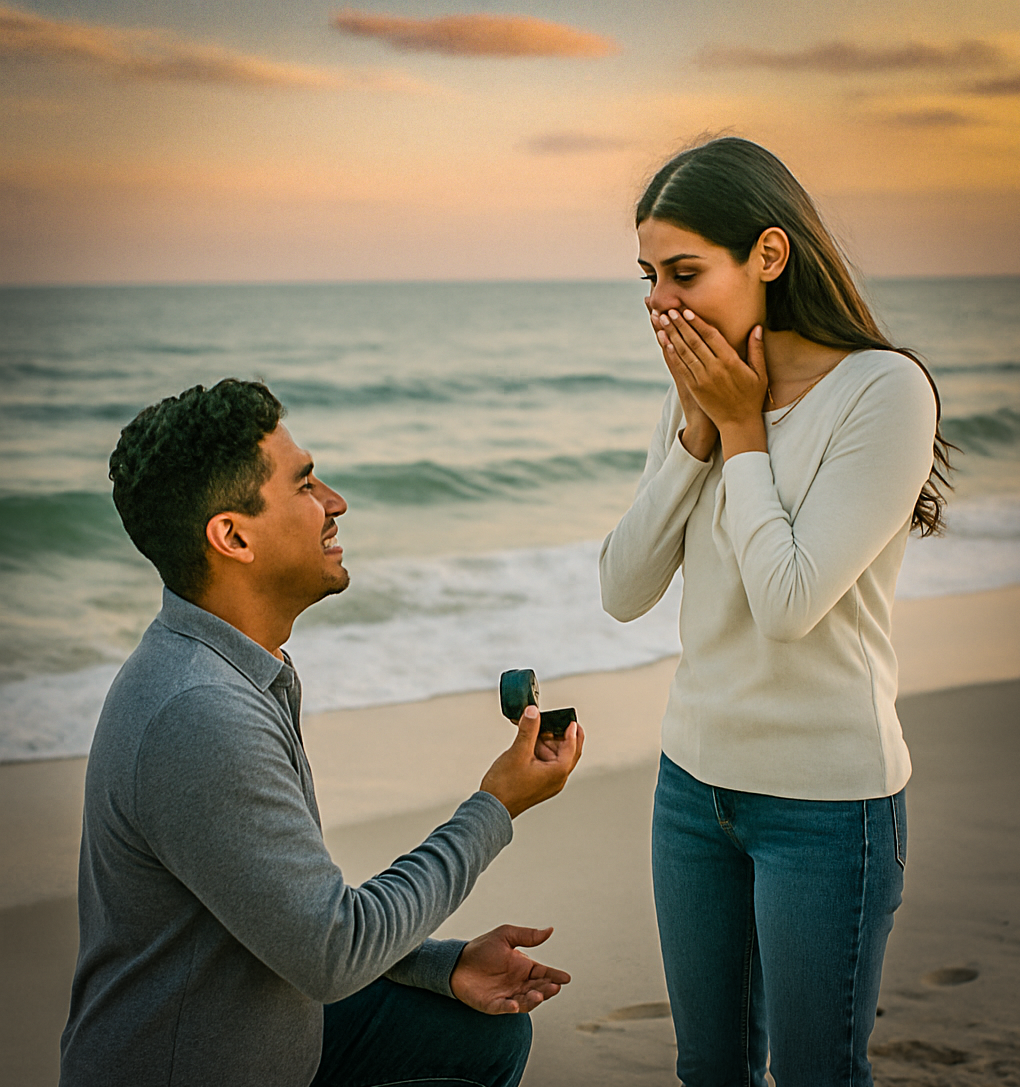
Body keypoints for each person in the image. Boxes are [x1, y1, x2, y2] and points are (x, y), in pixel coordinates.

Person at [60, 378, 583, 1087]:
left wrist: (439, 963)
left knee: (479, 1032)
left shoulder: (238, 666)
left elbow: (288, 910)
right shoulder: (200, 712)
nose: (335, 501)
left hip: (270, 1033)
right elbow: (333, 948)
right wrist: (496, 805)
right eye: (305, 484)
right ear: (233, 535)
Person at [599, 137, 953, 1087]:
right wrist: (695, 433)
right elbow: (623, 589)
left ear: (768, 253)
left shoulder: (883, 391)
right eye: (648, 276)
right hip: (691, 792)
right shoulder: (694, 395)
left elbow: (789, 603)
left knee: (815, 1075)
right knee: (707, 1069)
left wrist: (744, 430)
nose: (659, 303)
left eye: (684, 272)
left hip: (828, 808)